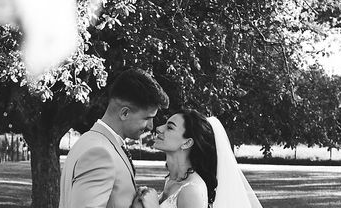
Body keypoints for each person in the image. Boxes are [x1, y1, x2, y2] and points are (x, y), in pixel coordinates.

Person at [59, 68, 169, 208]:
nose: (150, 126)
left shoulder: (91, 141)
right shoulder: (100, 153)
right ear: (124, 113)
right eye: (147, 118)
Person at [135, 110, 262, 208]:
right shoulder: (172, 180)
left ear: (187, 143)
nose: (159, 128)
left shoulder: (191, 190)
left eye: (170, 127)